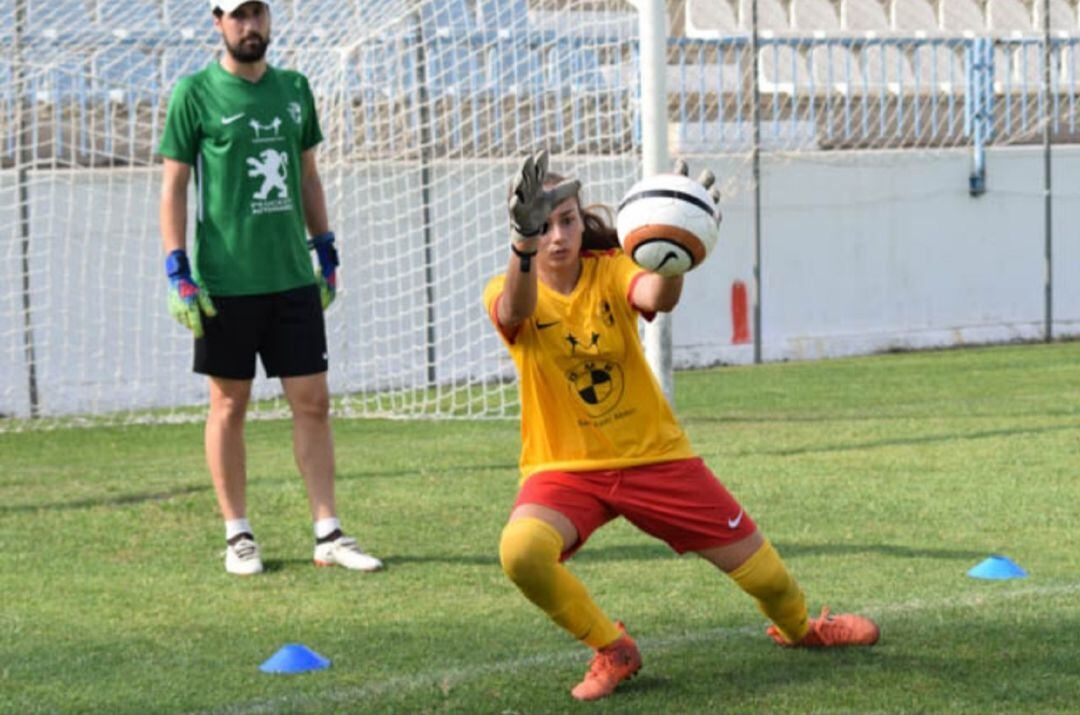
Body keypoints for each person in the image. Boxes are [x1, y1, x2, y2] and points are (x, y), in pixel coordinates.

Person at [482, 151, 879, 701]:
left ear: (582, 220)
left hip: (656, 459)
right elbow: (517, 308)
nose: (557, 235)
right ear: (524, 228)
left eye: (567, 220)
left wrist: (677, 241)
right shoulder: (506, 285)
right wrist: (521, 245)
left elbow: (655, 296)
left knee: (768, 580)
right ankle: (612, 646)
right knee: (520, 552)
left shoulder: (613, 267)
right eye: (543, 224)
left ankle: (802, 630)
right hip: (566, 469)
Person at [157, 0, 381, 576]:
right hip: (226, 282)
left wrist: (324, 245)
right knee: (228, 404)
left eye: (257, 13)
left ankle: (327, 532)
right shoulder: (194, 94)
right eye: (237, 16)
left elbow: (307, 173)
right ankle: (238, 535)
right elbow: (175, 188)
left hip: (290, 279)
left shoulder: (294, 89)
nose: (249, 26)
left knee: (314, 403)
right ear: (217, 21)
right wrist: (177, 268)